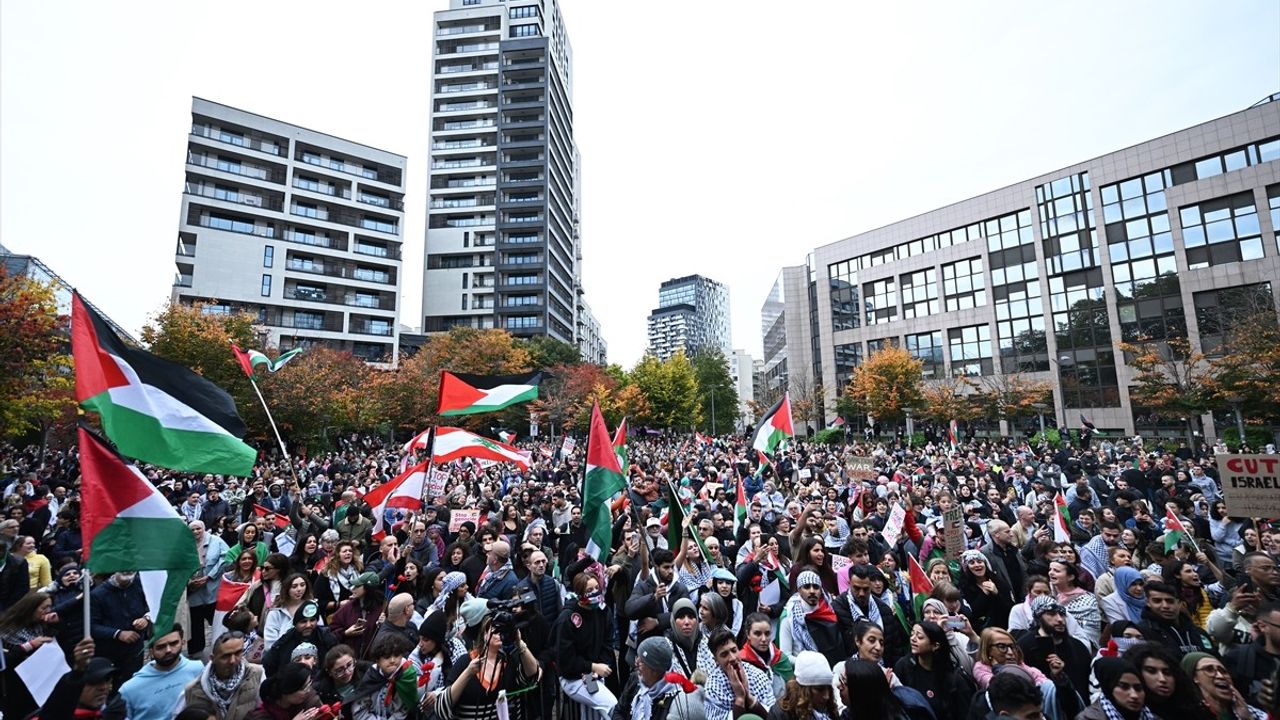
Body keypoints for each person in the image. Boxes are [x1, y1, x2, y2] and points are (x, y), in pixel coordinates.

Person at [428, 613, 540, 720]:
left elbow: (533, 676)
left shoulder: (510, 660)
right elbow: (441, 707)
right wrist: (468, 673)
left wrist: (519, 642)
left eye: (504, 631)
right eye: (496, 631)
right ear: (485, 634)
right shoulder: (465, 662)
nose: (500, 635)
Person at [556, 571, 619, 720]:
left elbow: (608, 644)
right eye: (589, 590)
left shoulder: (603, 611)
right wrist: (591, 667)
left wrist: (598, 668)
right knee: (610, 704)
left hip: (594, 673)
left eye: (597, 588)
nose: (595, 593)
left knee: (595, 714)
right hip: (573, 677)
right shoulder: (567, 619)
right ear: (579, 593)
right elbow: (566, 660)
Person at [119, 624, 204, 720]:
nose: (168, 650)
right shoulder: (129, 689)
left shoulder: (198, 669)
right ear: (151, 652)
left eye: (173, 643)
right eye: (161, 647)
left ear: (183, 643)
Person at [892, 622, 974, 720]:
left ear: (935, 645)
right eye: (912, 634)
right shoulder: (903, 666)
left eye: (920, 637)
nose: (913, 639)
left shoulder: (954, 678)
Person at [27, 640, 127, 720]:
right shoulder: (57, 715)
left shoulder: (116, 711)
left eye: (107, 680)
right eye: (94, 682)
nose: (103, 688)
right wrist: (78, 670)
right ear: (77, 687)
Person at [613, 636, 706, 720]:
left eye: (641, 662)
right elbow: (619, 711)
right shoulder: (635, 679)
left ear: (655, 670)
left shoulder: (675, 701)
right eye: (637, 658)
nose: (636, 664)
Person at [833, 563, 907, 667]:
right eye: (857, 588)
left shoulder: (884, 610)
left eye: (866, 589)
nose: (861, 593)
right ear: (849, 584)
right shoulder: (837, 609)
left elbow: (895, 647)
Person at [0, 590, 59, 718]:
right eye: (44, 607)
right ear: (31, 608)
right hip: (14, 685)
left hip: (38, 682)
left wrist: (56, 624)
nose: (48, 610)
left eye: (50, 606)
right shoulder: (6, 629)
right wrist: (30, 645)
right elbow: (6, 659)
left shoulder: (41, 626)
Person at [183, 631, 266, 720]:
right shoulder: (194, 689)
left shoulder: (256, 675)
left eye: (238, 653)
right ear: (212, 658)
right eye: (226, 656)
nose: (232, 661)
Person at [1123, 642, 1214, 720]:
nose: (1162, 679)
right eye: (1151, 671)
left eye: (1167, 673)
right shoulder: (1127, 712)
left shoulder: (1194, 711)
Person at [90, 570, 152, 680]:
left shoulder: (140, 585)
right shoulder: (97, 594)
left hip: (135, 649)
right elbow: (92, 626)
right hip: (109, 652)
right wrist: (118, 634)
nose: (127, 570)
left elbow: (150, 606)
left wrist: (145, 618)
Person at [704, 627, 776, 720]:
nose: (733, 658)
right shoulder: (712, 688)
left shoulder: (757, 675)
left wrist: (749, 697)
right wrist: (740, 698)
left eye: (734, 650)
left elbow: (773, 716)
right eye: (724, 654)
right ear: (716, 660)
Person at [779, 570, 844, 667]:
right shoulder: (789, 617)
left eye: (816, 587)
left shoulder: (830, 610)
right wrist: (812, 664)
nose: (812, 591)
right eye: (807, 587)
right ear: (799, 590)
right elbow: (785, 655)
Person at [1135, 580, 1214, 655]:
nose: (1165, 606)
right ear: (1148, 603)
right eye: (1157, 601)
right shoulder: (1142, 631)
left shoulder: (1198, 632)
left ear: (1180, 603)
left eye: (1170, 601)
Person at [1182, 652, 1268, 720]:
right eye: (1209, 669)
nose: (1220, 676)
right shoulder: (1186, 714)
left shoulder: (1251, 711)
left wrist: (1248, 718)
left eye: (1223, 671)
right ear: (1194, 677)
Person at [263, 600, 338, 678]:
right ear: (295, 624)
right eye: (303, 622)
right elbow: (269, 663)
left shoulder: (326, 637)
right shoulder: (285, 641)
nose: (308, 625)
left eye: (312, 620)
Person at [839, 658, 933, 720]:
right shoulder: (847, 715)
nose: (839, 686)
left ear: (861, 690)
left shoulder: (909, 710)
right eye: (840, 679)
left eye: (845, 682)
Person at [188, 520, 230, 657]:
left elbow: (226, 558)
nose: (196, 532)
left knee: (217, 619)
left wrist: (210, 576)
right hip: (194, 590)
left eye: (198, 529)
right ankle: (196, 652)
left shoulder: (216, 541)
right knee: (195, 622)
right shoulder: (185, 544)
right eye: (193, 529)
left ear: (203, 528)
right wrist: (189, 582)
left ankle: (225, 646)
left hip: (213, 587)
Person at [766, 651, 837, 720]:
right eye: (819, 689)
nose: (826, 696)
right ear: (803, 689)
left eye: (829, 688)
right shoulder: (780, 715)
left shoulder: (830, 709)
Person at [1076, 657, 1152, 720]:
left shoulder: (1151, 716)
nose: (1134, 695)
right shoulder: (1089, 718)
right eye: (1124, 687)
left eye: (1138, 688)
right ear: (1109, 689)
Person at [740, 612, 794, 701]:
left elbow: (792, 691)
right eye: (757, 634)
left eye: (767, 634)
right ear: (748, 634)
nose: (764, 639)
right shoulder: (742, 661)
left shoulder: (780, 658)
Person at [331, 571, 384, 658]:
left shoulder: (382, 609)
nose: (353, 589)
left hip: (372, 660)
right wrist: (345, 633)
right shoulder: (347, 608)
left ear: (368, 588)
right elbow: (331, 632)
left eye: (357, 586)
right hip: (349, 659)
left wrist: (384, 624)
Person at [249, 661, 321, 720]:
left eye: (309, 684)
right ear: (287, 690)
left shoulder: (310, 702)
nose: (308, 690)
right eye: (303, 688)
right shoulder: (262, 715)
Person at [262, 572, 315, 651]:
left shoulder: (312, 606)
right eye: (294, 586)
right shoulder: (276, 612)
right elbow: (270, 644)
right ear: (287, 589)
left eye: (302, 585)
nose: (299, 589)